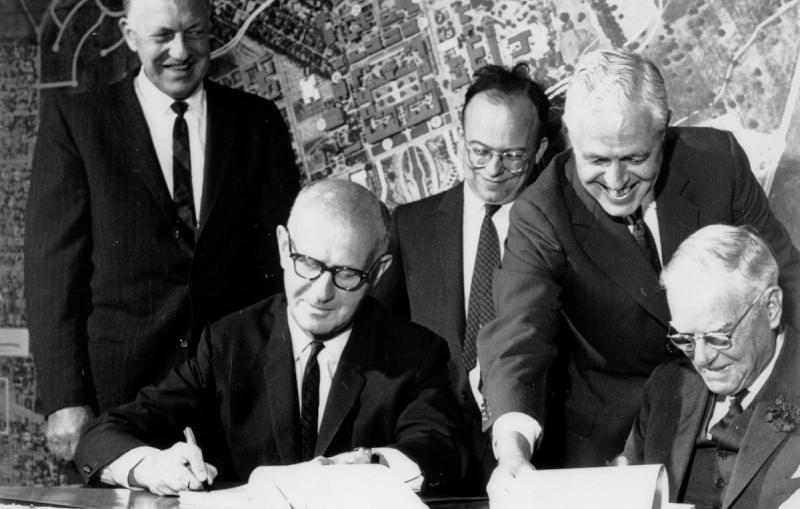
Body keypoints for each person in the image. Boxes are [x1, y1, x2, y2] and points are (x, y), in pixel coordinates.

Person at [478, 48, 800, 499]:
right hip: (617, 437)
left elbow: (786, 278)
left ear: (663, 129)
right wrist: (512, 450)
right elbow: (517, 336)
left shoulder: (717, 162)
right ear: (571, 138)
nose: (615, 181)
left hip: (743, 409)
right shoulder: (542, 211)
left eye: (633, 158)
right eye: (595, 160)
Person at [24, 0, 299, 461]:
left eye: (195, 33)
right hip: (119, 403)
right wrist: (64, 398)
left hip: (237, 399)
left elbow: (279, 266)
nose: (181, 50)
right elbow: (51, 275)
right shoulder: (78, 124)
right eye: (162, 36)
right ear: (130, 35)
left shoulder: (257, 120)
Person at [73, 180, 467, 496]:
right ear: (283, 247)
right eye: (308, 263)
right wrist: (152, 467)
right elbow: (101, 435)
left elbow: (442, 452)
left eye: (346, 274)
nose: (320, 292)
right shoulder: (229, 342)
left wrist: (373, 464)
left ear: (378, 272)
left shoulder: (415, 354)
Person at [374, 63, 550, 489]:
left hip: (530, 456)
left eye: (512, 156)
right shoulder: (410, 226)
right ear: (460, 141)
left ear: (540, 150)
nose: (492, 169)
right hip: (432, 455)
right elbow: (376, 335)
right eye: (479, 151)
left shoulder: (554, 229)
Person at [619, 225, 800, 509]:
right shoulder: (667, 387)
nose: (701, 359)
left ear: (772, 308)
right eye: (685, 338)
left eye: (719, 337)